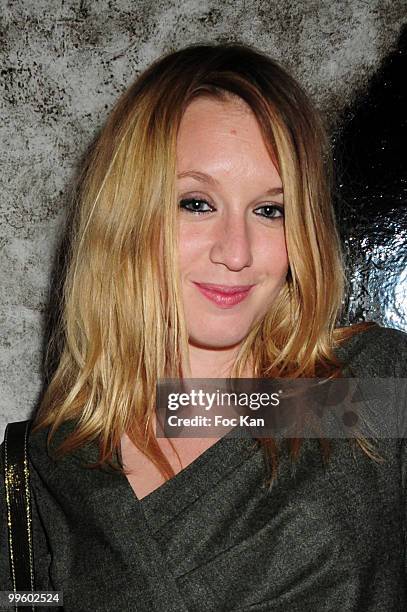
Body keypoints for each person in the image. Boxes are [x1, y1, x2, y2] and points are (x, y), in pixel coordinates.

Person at [1, 42, 406, 611]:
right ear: (127, 216)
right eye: (196, 203)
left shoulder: (371, 393)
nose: (236, 253)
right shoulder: (48, 467)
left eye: (271, 210)